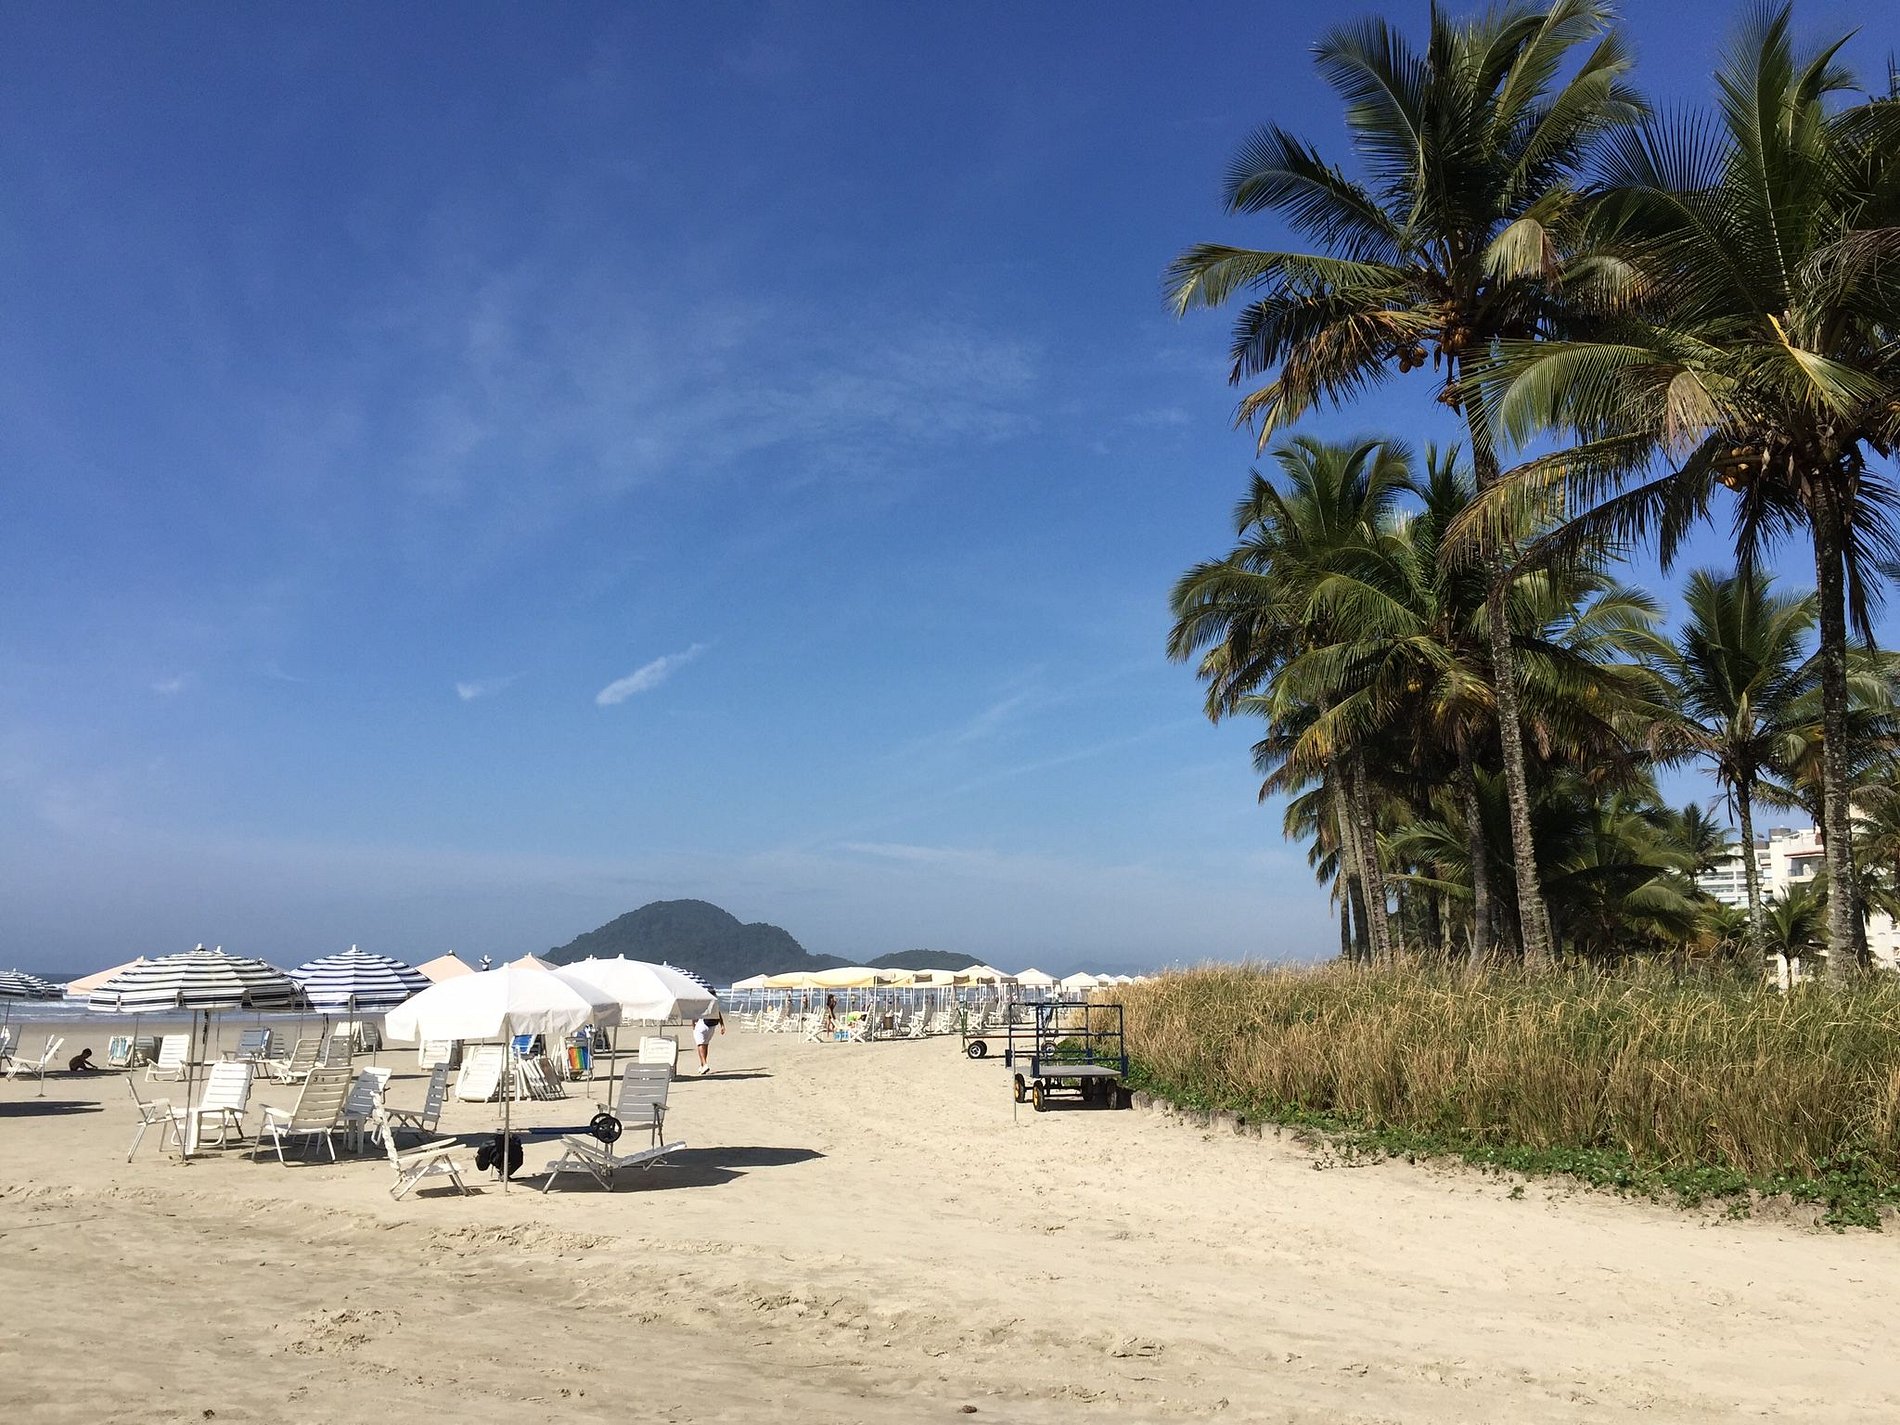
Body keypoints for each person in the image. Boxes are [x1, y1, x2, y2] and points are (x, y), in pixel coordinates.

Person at [693, 1001, 725, 1074]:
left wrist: (693, 1026)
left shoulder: (701, 1001)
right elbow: (718, 1013)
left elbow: (695, 1014)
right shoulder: (714, 1003)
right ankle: (702, 1065)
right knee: (705, 1045)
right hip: (712, 1026)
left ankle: (704, 1064)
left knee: (700, 1044)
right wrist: (722, 1025)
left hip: (702, 1024)